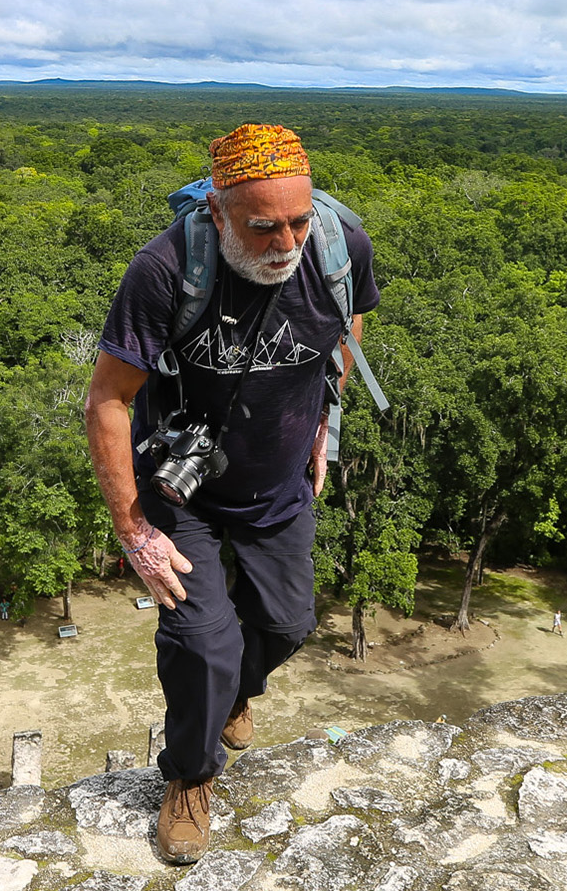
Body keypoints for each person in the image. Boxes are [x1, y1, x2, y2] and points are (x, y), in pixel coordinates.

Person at [86, 124, 378, 866]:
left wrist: (325, 418)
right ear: (217, 214)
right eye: (264, 226)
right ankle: (188, 778)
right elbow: (108, 401)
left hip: (278, 488)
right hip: (182, 494)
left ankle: (233, 695)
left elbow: (349, 325)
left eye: (299, 222)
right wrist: (134, 531)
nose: (286, 242)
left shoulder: (341, 248)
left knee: (287, 623)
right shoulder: (164, 270)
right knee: (199, 644)